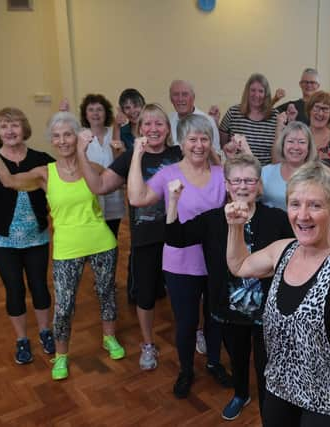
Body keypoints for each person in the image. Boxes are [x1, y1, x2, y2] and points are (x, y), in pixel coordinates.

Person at [225, 161, 330, 426]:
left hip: (324, 399)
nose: (302, 215)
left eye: (315, 205)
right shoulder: (283, 250)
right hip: (279, 385)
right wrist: (235, 227)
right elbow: (239, 266)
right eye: (295, 204)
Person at [0, 112, 123, 380]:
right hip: (66, 246)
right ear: (51, 141)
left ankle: (109, 337)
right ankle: (61, 355)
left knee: (106, 294)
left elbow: (114, 180)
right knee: (64, 304)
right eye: (56, 136)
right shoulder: (44, 174)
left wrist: (119, 150)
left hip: (101, 241)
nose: (62, 140)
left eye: (67, 134)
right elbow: (9, 181)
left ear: (77, 136)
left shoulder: (89, 166)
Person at [165, 154, 293, 419]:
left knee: (265, 362)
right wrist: (174, 199)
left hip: (267, 311)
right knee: (236, 357)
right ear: (226, 184)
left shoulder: (276, 219)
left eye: (249, 180)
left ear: (258, 185)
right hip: (228, 310)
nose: (243, 186)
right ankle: (241, 394)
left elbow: (294, 254)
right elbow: (175, 238)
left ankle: (268, 410)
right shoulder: (212, 219)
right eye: (237, 180)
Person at [127, 114, 231, 398]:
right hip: (180, 262)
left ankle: (213, 362)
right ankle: (186, 370)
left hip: (215, 262)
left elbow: (250, 192)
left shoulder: (222, 174)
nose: (198, 145)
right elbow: (137, 198)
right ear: (182, 143)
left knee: (214, 319)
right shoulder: (168, 173)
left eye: (204, 139)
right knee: (185, 323)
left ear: (211, 143)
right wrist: (136, 154)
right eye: (192, 139)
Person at [77, 103, 182, 371]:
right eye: (147, 123)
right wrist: (80, 152)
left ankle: (198, 332)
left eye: (159, 123)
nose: (153, 128)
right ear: (139, 128)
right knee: (145, 295)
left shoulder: (180, 153)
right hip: (145, 240)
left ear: (168, 128)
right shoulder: (130, 157)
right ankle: (148, 344)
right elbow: (99, 186)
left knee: (188, 292)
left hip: (180, 237)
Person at [0, 107, 55, 364]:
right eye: (4, 126)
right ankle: (22, 339)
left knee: (40, 287)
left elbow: (63, 182)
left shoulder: (40, 158)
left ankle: (46, 332)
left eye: (15, 125)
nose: (10, 131)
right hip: (2, 240)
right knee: (14, 289)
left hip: (37, 237)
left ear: (24, 129)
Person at [79, 94, 126, 237]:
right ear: (85, 114)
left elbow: (120, 162)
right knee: (92, 242)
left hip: (114, 196)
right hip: (89, 199)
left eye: (99, 109)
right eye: (91, 109)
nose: (95, 113)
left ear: (106, 113)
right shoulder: (80, 137)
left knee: (112, 238)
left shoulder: (115, 133)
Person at [219, 73, 279, 166]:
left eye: (261, 91)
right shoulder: (233, 113)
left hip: (267, 174)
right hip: (238, 172)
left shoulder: (275, 116)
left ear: (266, 94)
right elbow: (222, 144)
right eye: (253, 90)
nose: (256, 95)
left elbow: (280, 149)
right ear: (247, 92)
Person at [261, 121, 318, 210]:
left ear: (309, 147)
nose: (296, 147)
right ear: (283, 145)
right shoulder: (265, 172)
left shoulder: (318, 175)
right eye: (290, 141)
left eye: (302, 142)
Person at [168, 79, 221, 155]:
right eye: (176, 94)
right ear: (171, 99)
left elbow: (216, 154)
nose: (180, 99)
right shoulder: (168, 120)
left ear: (193, 97)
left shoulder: (207, 121)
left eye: (185, 94)